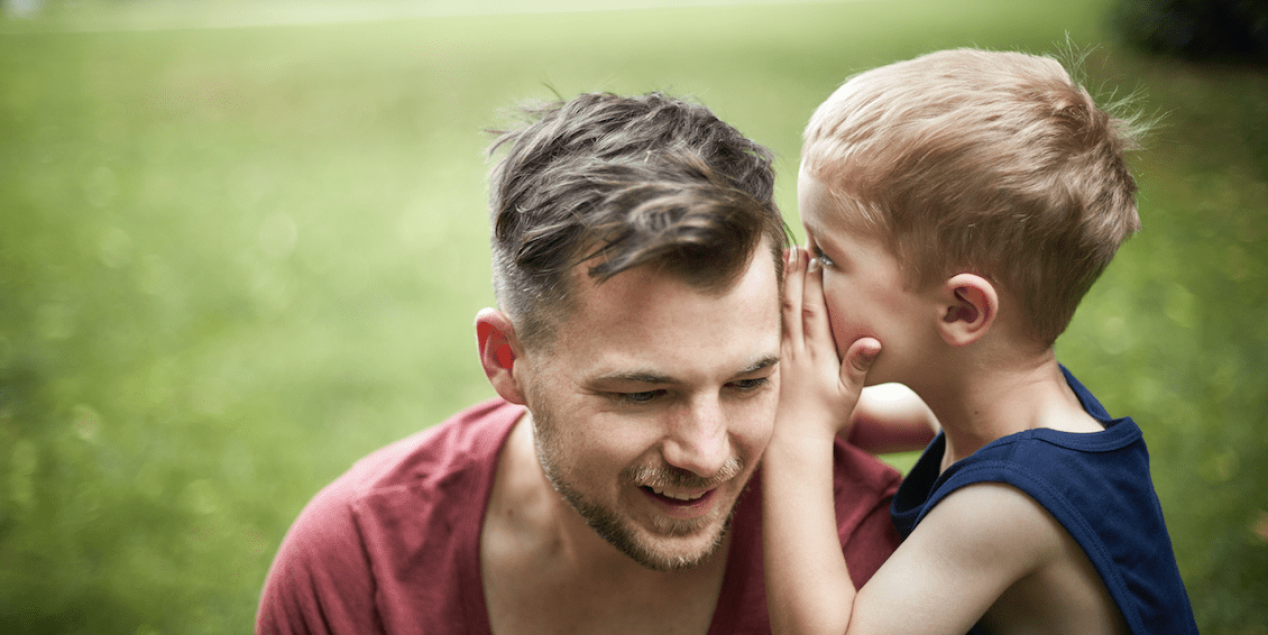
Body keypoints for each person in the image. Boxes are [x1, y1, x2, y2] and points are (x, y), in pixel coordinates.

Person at [256, 91, 917, 635]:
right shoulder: (358, 567)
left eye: (749, 380)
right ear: (507, 360)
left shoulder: (873, 566)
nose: (706, 452)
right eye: (642, 393)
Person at [763, 48, 1199, 635]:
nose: (801, 274)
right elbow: (877, 417)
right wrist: (820, 406)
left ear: (962, 310)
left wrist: (799, 434)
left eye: (826, 256)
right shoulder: (1007, 406)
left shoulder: (1007, 506)